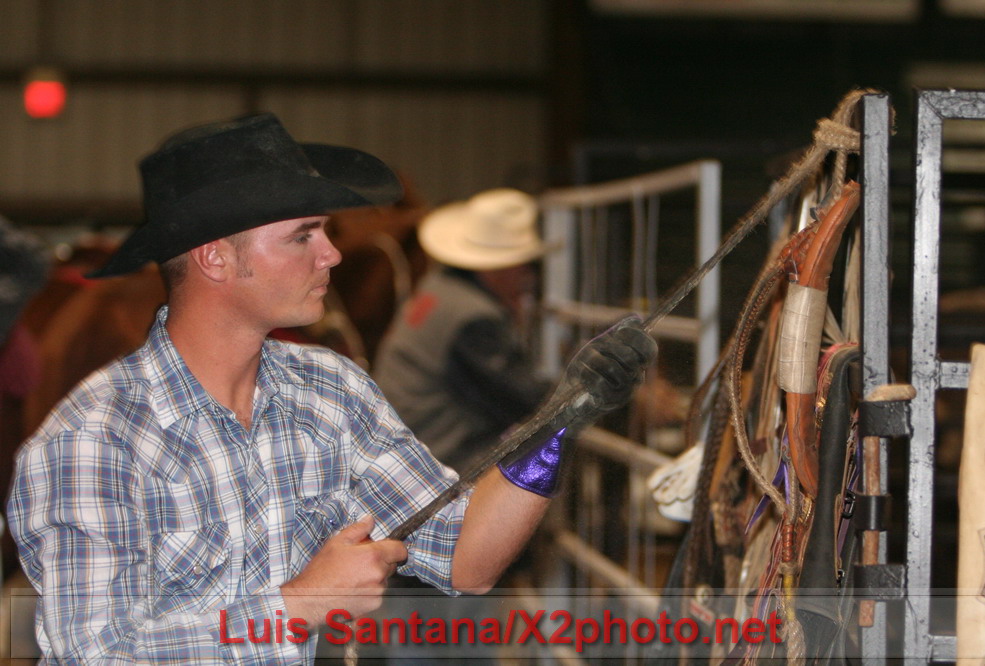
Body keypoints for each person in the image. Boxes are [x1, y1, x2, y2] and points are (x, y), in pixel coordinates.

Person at [7, 113, 656, 663]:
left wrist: (562, 419)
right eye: (302, 236)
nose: (333, 254)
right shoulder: (92, 441)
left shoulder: (329, 391)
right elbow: (97, 651)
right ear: (216, 257)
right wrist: (299, 605)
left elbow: (466, 557)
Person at [373, 188, 553, 473]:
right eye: (524, 266)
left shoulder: (438, 288)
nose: (527, 279)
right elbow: (523, 399)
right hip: (441, 460)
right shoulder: (474, 319)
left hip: (408, 446)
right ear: (497, 268)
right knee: (541, 456)